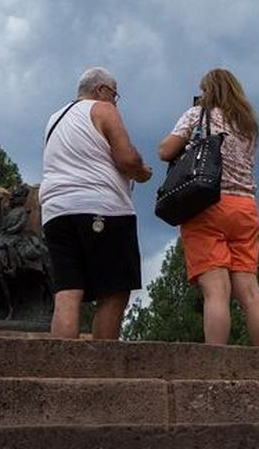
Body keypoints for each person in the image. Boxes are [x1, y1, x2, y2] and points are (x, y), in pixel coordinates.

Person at [157, 68, 259, 347]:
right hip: (246, 207)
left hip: (207, 204)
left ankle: (216, 362)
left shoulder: (198, 115)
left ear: (209, 91)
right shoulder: (248, 125)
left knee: (216, 291)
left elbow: (165, 150)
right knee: (249, 289)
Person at [39, 67, 153, 339]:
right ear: (101, 90)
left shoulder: (54, 119)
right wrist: (141, 171)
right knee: (113, 291)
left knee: (67, 293)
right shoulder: (103, 110)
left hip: (55, 213)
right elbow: (126, 158)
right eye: (115, 95)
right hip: (101, 207)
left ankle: (62, 367)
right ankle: (101, 368)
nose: (115, 101)